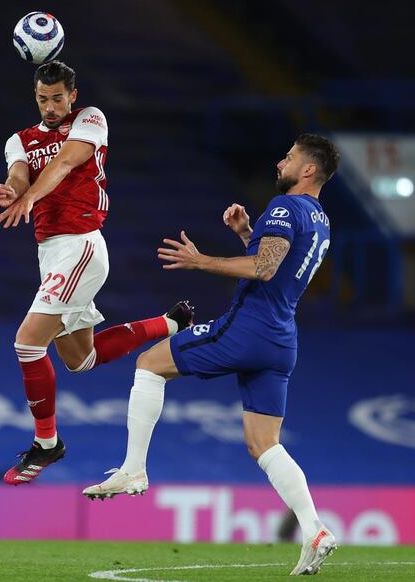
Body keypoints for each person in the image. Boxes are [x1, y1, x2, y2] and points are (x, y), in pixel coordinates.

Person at [83, 134, 340, 576]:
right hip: (281, 340)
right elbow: (273, 269)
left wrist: (201, 261)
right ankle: (314, 529)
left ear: (309, 170)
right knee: (264, 444)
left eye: (290, 157)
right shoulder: (321, 221)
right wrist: (246, 234)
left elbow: (264, 268)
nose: (281, 161)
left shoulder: (286, 207)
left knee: (148, 365)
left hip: (248, 328)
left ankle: (133, 470)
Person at [0, 61, 194, 486]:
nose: (51, 106)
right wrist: (14, 188)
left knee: (27, 344)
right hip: (51, 253)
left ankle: (46, 443)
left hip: (80, 243)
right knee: (79, 360)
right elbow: (18, 171)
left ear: (73, 97)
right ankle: (171, 322)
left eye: (58, 98)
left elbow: (65, 163)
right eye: (43, 99)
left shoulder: (90, 119)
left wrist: (28, 198)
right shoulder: (20, 140)